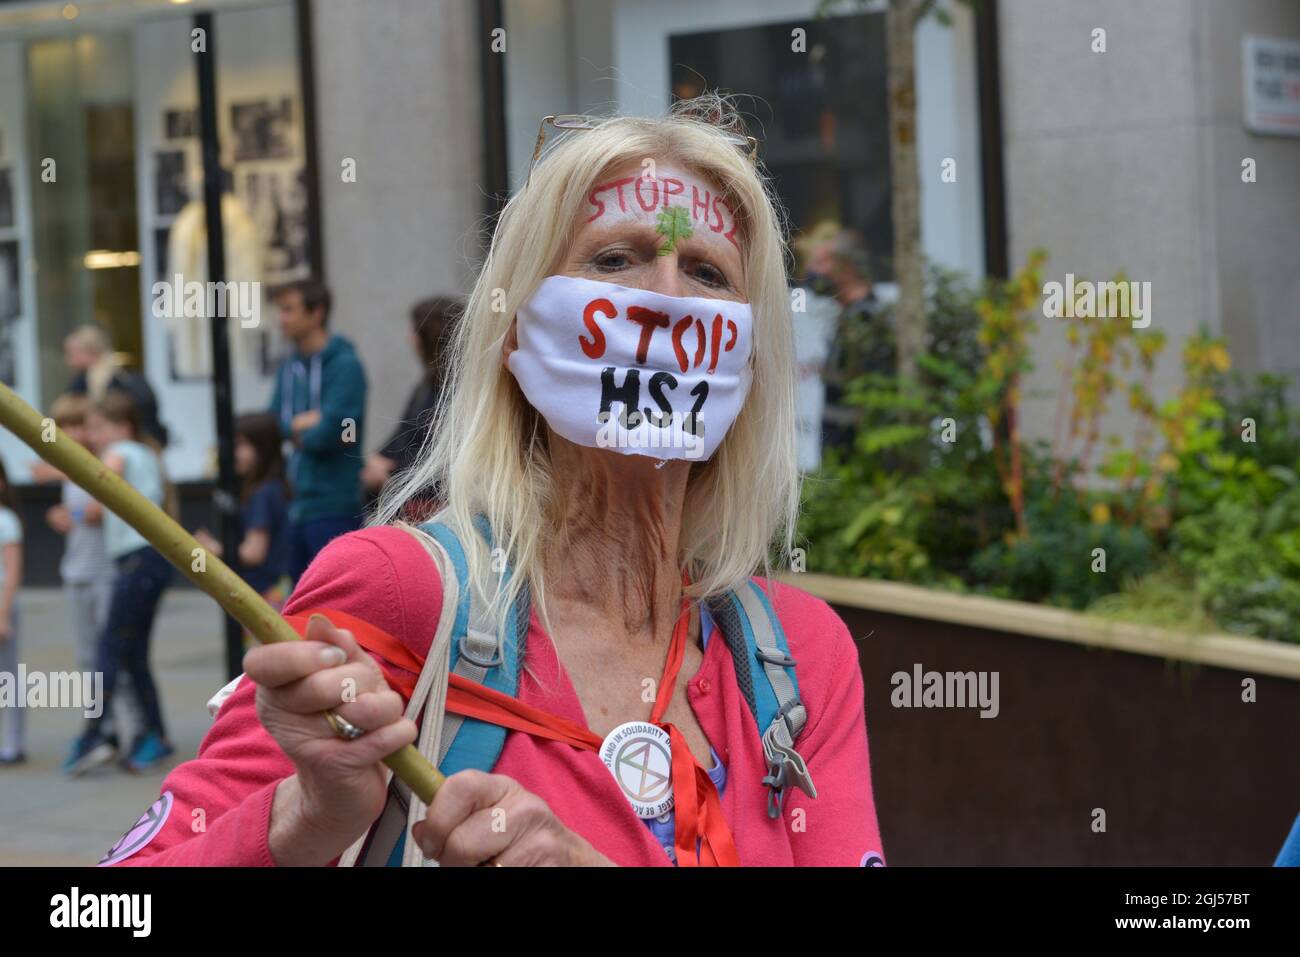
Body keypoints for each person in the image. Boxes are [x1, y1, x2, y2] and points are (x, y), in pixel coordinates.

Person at [104, 96, 885, 867]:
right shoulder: (394, 592)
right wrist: (307, 818)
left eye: (708, 271)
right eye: (615, 259)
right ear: (516, 329)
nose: (665, 299)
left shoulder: (799, 658)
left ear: (748, 360)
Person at [63, 393, 175, 775]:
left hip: (139, 562)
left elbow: (102, 477)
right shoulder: (140, 455)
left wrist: (61, 471)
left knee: (110, 650)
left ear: (122, 428)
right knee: (130, 654)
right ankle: (155, 737)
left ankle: (96, 733)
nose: (92, 436)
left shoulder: (126, 451)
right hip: (142, 562)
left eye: (98, 428)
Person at [40, 394, 140, 747]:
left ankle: (134, 728)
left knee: (113, 655)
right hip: (76, 571)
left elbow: (98, 512)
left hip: (106, 571)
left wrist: (75, 516)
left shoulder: (105, 463)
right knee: (87, 657)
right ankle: (104, 728)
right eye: (64, 426)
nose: (73, 433)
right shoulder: (69, 469)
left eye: (79, 426)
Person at [268, 279, 367, 581]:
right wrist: (302, 423)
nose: (281, 319)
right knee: (297, 608)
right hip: (293, 504)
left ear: (316, 313)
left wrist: (304, 429)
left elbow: (340, 431)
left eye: (289, 310)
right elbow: (271, 426)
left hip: (333, 503)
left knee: (334, 603)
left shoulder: (346, 365)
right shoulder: (288, 368)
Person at [360, 296, 459, 520]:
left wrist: (389, 472)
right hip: (412, 500)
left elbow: (441, 458)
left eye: (414, 331)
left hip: (438, 508)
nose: (409, 338)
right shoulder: (424, 388)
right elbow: (400, 437)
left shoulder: (458, 391)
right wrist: (373, 461)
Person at [801, 223, 893, 454]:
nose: (813, 271)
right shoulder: (849, 316)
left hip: (859, 456)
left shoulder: (867, 320)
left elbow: (868, 397)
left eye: (823, 262)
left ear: (846, 266)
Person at [195, 412, 291, 617]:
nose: (232, 453)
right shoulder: (269, 488)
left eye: (239, 445)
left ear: (262, 448)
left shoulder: (262, 494)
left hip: (265, 593)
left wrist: (213, 548)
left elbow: (254, 552)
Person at [61, 324, 169, 449]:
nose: (68, 360)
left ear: (91, 352)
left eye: (72, 353)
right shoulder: (125, 375)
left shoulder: (102, 381)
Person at [0, 460, 24, 766]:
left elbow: (13, 571)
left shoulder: (6, 520)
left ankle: (14, 741)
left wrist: (3, 613)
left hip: (1, 602)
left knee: (8, 680)